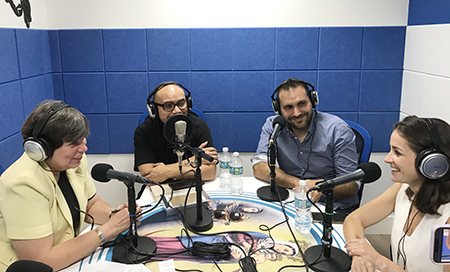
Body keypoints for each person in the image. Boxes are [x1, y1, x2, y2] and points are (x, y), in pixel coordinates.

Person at [0, 100, 139, 272]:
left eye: (83, 138)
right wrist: (108, 230)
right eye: (73, 143)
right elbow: (41, 261)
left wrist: (115, 216)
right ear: (43, 148)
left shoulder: (72, 163)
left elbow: (91, 204)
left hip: (68, 261)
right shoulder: (22, 183)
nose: (84, 148)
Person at [344, 116, 450, 272]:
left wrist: (378, 260)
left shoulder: (446, 220)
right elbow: (354, 219)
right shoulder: (403, 188)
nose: (387, 159)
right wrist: (359, 255)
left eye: (397, 153)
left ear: (431, 162)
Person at [252, 78, 359, 215]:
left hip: (333, 208)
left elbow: (351, 186)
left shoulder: (338, 130)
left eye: (301, 104)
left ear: (313, 101)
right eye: (288, 107)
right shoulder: (274, 126)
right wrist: (301, 184)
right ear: (278, 109)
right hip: (293, 202)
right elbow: (260, 167)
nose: (296, 113)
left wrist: (320, 186)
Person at [134, 81, 218, 183]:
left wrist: (167, 172)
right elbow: (149, 176)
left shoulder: (199, 126)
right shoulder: (144, 131)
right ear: (154, 109)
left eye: (181, 103)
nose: (177, 110)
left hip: (194, 187)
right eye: (168, 105)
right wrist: (194, 161)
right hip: (159, 188)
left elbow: (210, 173)